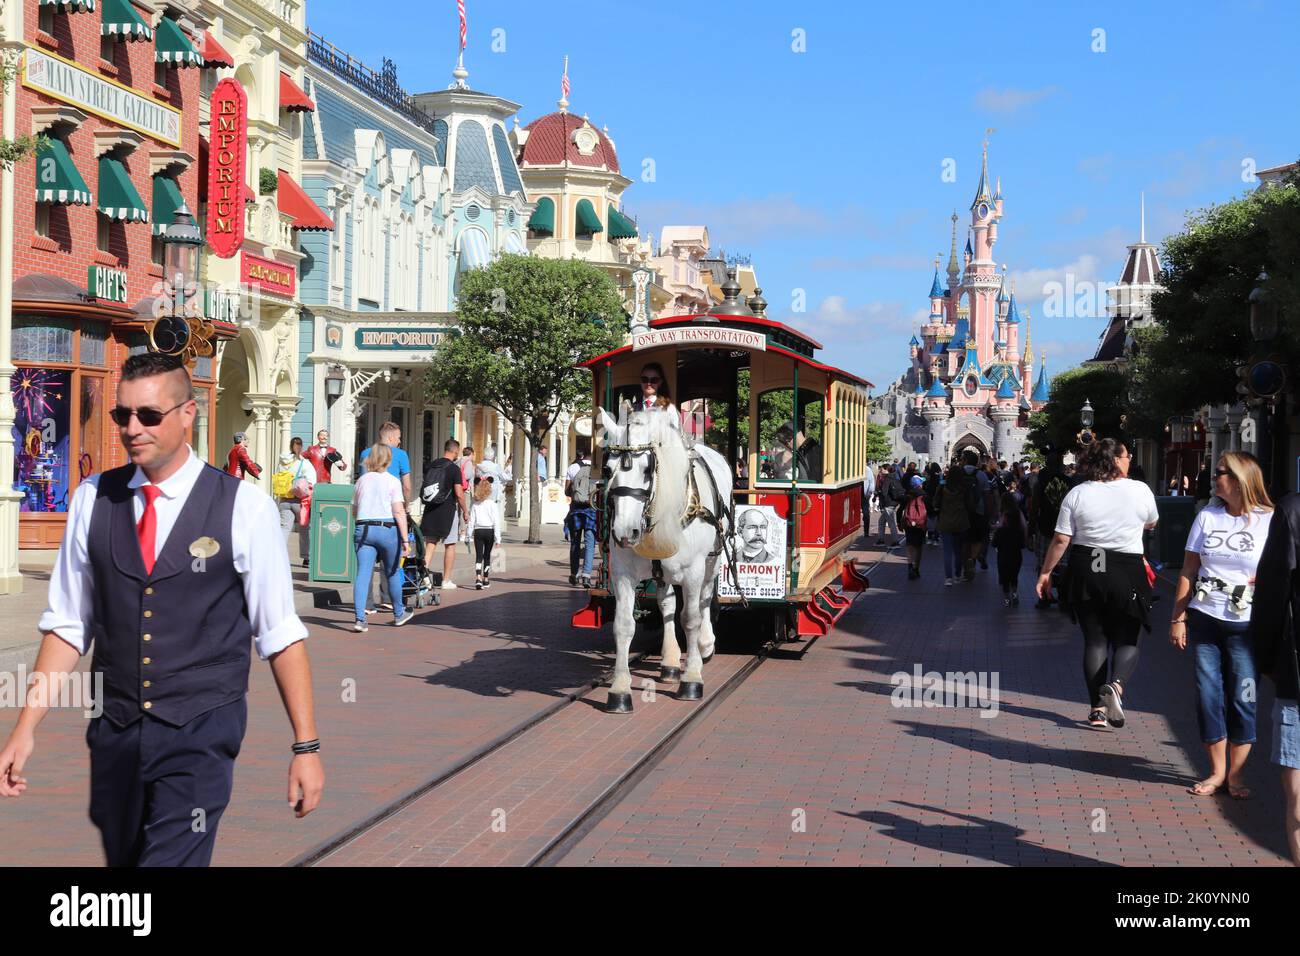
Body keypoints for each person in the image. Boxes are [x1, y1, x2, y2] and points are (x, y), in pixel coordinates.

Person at [0, 353, 322, 865]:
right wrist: (26, 728)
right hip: (116, 732)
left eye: (148, 415)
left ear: (187, 414)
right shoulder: (91, 499)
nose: (132, 428)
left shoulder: (243, 507)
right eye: (121, 415)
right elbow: (67, 625)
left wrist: (305, 747)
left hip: (200, 732)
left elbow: (280, 634)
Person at [1036, 438, 1159, 729]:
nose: (1130, 460)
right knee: (1128, 637)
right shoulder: (1139, 490)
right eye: (1127, 456)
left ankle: (1096, 710)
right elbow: (1152, 523)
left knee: (1095, 640)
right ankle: (1116, 686)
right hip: (1125, 566)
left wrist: (1045, 572)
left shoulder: (1078, 493)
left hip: (1087, 565)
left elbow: (1062, 538)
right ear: (1116, 459)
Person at [1170, 452, 1272, 799]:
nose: (1213, 478)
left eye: (1221, 473)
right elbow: (1187, 570)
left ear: (1242, 478)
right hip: (1206, 619)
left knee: (1244, 697)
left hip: (1248, 624)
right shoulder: (1207, 517)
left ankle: (1237, 776)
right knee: (1208, 695)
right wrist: (1178, 618)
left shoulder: (1269, 521)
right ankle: (1217, 772)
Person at [1247, 477, 1300, 865]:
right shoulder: (1292, 510)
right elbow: (1271, 589)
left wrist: (1265, 660)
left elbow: (1269, 590)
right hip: (1296, 676)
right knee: (1299, 804)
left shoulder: (1291, 510)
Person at [351, 443, 413, 632]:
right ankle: (398, 613)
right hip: (386, 528)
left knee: (363, 573)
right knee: (392, 571)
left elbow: (354, 509)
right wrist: (405, 539)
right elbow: (399, 511)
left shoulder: (361, 480)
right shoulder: (392, 481)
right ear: (388, 459)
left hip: (364, 528)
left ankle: (360, 619)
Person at [360, 422, 412, 609]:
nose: (399, 441)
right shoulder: (401, 455)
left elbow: (362, 483)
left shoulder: (365, 453)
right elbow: (406, 485)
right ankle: (388, 598)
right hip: (390, 512)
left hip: (366, 514)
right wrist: (406, 505)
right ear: (390, 438)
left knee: (365, 565)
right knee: (390, 558)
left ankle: (366, 604)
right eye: (398, 438)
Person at [420, 439, 470, 589]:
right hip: (447, 510)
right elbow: (459, 493)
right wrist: (465, 511)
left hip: (430, 507)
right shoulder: (454, 469)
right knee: (450, 544)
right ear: (455, 451)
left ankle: (423, 575)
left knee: (430, 543)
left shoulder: (432, 465)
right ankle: (446, 580)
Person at [1029, 448, 1074, 608]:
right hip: (1065, 528)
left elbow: (1034, 508)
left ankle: (1045, 597)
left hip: (1045, 527)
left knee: (1044, 563)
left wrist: (1030, 530)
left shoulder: (1040, 483)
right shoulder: (1069, 482)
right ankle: (1064, 598)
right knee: (1064, 563)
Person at [935, 463, 972, 586]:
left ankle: (948, 578)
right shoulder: (964, 487)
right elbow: (969, 503)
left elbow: (935, 502)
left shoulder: (942, 486)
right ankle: (957, 574)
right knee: (959, 550)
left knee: (947, 551)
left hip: (946, 521)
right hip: (961, 521)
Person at [565, 449, 597, 586]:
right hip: (591, 510)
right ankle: (586, 575)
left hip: (576, 510)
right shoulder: (598, 470)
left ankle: (574, 573)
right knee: (590, 543)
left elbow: (567, 491)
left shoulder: (573, 467)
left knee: (575, 543)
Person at [992, 490, 1028, 606]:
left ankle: (1007, 598)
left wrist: (993, 527)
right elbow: (1024, 527)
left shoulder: (1003, 516)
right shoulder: (1018, 513)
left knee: (1004, 575)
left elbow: (996, 537)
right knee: (1014, 574)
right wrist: (1025, 541)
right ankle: (1014, 593)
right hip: (1016, 551)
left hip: (1003, 552)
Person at [469, 478, 499, 590]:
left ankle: (478, 578)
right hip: (489, 531)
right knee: (487, 556)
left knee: (478, 556)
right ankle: (486, 578)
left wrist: (468, 535)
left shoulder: (475, 505)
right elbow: (496, 521)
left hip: (478, 531)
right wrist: (498, 538)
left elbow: (471, 521)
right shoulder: (492, 504)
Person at [898, 474, 928, 579]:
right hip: (920, 524)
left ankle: (910, 567)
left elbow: (900, 510)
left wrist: (899, 523)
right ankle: (916, 568)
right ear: (920, 484)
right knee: (918, 547)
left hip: (909, 524)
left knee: (910, 546)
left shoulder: (907, 495)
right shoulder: (924, 495)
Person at [875, 465, 903, 546]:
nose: (881, 470)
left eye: (882, 469)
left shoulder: (887, 479)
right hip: (893, 503)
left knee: (891, 523)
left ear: (886, 470)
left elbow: (884, 492)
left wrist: (878, 492)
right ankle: (881, 539)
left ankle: (895, 542)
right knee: (881, 521)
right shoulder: (894, 477)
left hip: (888, 504)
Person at [861, 459, 877, 539]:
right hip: (858, 494)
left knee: (866, 513)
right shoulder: (867, 469)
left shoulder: (868, 470)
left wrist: (869, 494)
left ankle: (866, 531)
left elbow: (871, 483)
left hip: (864, 495)